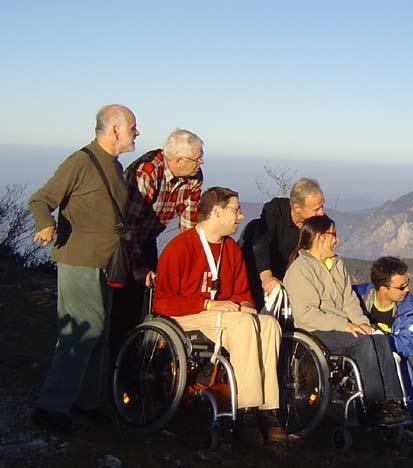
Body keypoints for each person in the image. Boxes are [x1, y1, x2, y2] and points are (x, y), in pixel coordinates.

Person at [28, 104, 140, 434]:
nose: (137, 132)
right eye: (133, 126)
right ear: (115, 129)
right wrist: (45, 224)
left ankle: (84, 402)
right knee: (82, 331)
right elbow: (40, 198)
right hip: (80, 261)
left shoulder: (114, 165)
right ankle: (51, 407)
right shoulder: (81, 161)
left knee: (99, 333)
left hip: (106, 263)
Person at [153, 186, 286, 445]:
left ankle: (268, 409)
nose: (240, 216)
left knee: (269, 324)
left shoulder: (231, 250)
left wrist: (246, 303)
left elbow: (241, 292)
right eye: (235, 210)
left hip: (223, 317)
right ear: (216, 211)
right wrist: (207, 305)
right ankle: (245, 411)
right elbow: (163, 301)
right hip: (187, 317)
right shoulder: (180, 247)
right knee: (244, 324)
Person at [283, 215, 410, 426]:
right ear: (321, 238)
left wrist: (363, 323)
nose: (337, 240)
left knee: (378, 338)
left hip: (340, 327)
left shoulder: (336, 264)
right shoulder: (299, 270)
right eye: (334, 235)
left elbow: (349, 300)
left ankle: (393, 402)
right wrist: (345, 325)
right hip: (315, 331)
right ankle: (374, 403)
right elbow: (306, 314)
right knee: (362, 342)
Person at [109, 129, 204, 355]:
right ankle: (116, 361)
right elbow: (128, 225)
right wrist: (139, 268)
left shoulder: (194, 177)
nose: (201, 163)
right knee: (125, 305)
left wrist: (188, 266)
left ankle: (146, 353)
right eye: (197, 158)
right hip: (123, 239)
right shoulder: (147, 172)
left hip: (148, 236)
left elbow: (188, 228)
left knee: (154, 297)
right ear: (179, 160)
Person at [242, 177, 325, 310]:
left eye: (322, 206)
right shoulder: (275, 210)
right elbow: (261, 243)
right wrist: (267, 277)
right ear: (297, 208)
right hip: (257, 270)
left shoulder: (318, 223)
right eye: (316, 209)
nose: (321, 212)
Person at [354, 257, 413, 408]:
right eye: (401, 287)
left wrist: (378, 337)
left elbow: (408, 345)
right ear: (383, 288)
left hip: (392, 363)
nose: (407, 289)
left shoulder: (410, 308)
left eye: (407, 283)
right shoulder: (355, 298)